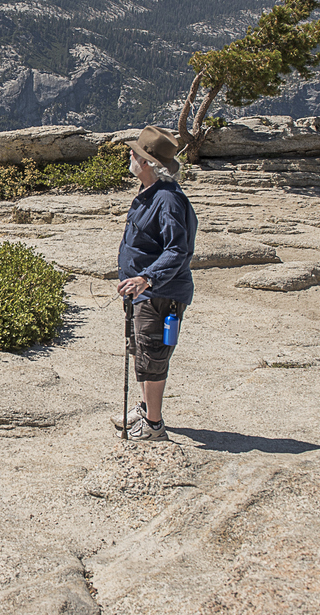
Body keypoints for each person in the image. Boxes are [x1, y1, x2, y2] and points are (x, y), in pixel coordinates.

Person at [112, 126, 198, 441]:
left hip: (161, 294)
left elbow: (179, 250)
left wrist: (147, 278)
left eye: (133, 153)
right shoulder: (151, 193)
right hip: (144, 293)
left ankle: (154, 426)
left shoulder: (168, 200)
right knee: (143, 351)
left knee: (153, 355)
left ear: (146, 162)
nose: (129, 156)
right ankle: (147, 408)